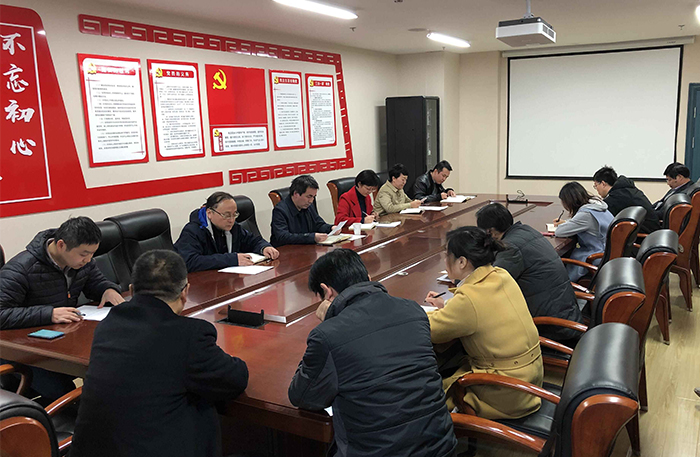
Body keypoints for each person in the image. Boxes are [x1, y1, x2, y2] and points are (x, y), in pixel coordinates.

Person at [70, 250, 249, 457]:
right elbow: (236, 379)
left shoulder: (107, 326)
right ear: (185, 292)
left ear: (131, 290)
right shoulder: (188, 335)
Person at [289, 249, 457, 457]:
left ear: (326, 292)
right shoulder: (413, 310)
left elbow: (302, 396)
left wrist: (330, 321)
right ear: (368, 278)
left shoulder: (328, 335)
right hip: (441, 448)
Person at [424, 227, 543, 420]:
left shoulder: (468, 298)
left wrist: (411, 313)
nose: (445, 261)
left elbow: (431, 330)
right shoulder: (500, 274)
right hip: (531, 377)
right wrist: (446, 306)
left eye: (447, 256)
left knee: (431, 398)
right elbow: (480, 310)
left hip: (505, 390)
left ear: (462, 262)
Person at [0, 216, 124, 401]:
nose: (88, 259)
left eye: (92, 253)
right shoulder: (21, 269)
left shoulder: (81, 262)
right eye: (83, 254)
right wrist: (48, 313)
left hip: (61, 342)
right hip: (25, 353)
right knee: (68, 396)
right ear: (61, 245)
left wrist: (108, 289)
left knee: (107, 376)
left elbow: (95, 282)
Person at [476, 203, 583, 345]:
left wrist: (463, 277)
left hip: (551, 327)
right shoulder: (526, 231)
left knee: (483, 328)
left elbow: (490, 285)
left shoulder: (510, 248)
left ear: (490, 232)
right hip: (565, 313)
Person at [175, 191, 279, 272]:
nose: (231, 220)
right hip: (203, 286)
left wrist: (264, 247)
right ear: (209, 213)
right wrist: (232, 259)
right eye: (226, 215)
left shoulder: (233, 227)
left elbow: (252, 240)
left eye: (234, 214)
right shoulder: (192, 231)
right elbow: (189, 262)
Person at [553, 182, 614, 282]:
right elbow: (582, 222)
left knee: (560, 266)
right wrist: (568, 222)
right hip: (608, 252)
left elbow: (559, 232)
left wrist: (566, 224)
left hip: (596, 255)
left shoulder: (586, 214)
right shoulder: (596, 205)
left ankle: (565, 285)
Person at [270, 175, 334, 247]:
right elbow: (283, 237)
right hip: (287, 250)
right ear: (296, 194)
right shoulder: (280, 210)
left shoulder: (308, 206)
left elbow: (318, 224)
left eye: (313, 197)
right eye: (309, 196)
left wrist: (331, 228)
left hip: (307, 248)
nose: (311, 201)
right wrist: (311, 237)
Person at [592, 166, 660, 234]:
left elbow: (604, 218)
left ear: (603, 184)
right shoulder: (626, 190)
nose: (596, 189)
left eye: (596, 185)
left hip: (644, 234)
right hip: (652, 230)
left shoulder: (616, 197)